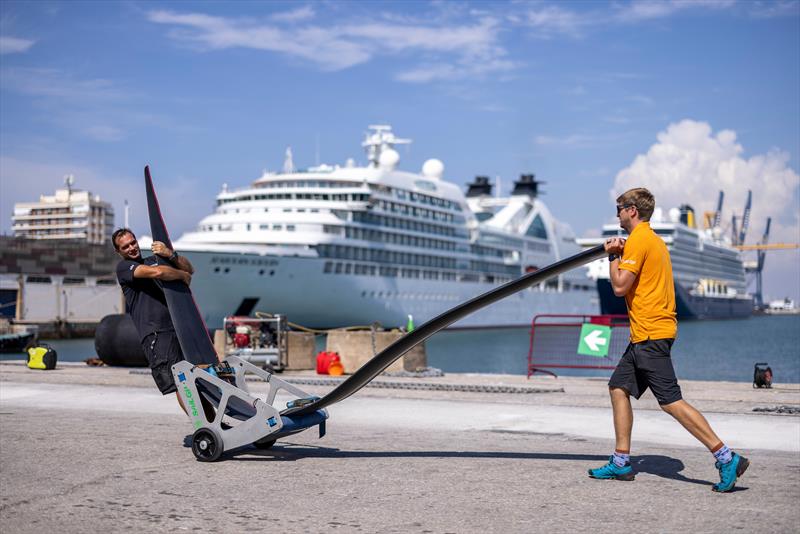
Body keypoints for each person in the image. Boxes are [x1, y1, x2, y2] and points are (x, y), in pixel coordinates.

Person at [588, 188, 749, 493]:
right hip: (646, 335)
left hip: (651, 335)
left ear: (633, 210)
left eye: (620, 208)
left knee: (671, 401)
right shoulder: (654, 241)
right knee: (618, 387)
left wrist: (613, 255)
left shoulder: (639, 240)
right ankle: (621, 461)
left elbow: (620, 286)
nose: (617, 213)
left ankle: (727, 457)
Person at [112, 228, 194, 399]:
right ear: (118, 251)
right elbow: (158, 273)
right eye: (125, 247)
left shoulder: (153, 260)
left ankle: (213, 423)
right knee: (180, 382)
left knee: (194, 378)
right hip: (156, 334)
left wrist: (169, 254)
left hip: (176, 328)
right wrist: (181, 276)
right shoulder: (124, 268)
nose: (132, 248)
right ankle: (201, 423)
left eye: (133, 242)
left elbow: (190, 269)